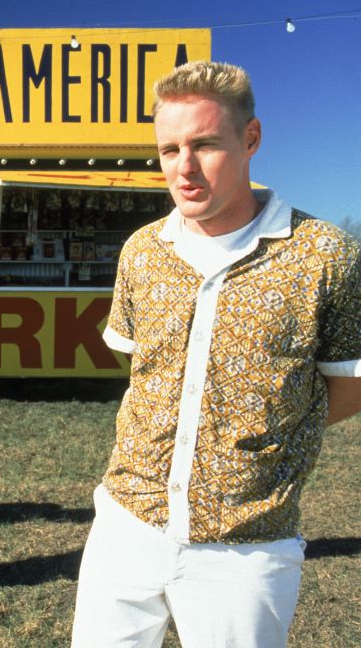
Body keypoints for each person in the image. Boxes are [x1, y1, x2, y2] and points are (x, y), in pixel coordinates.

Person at [70, 60, 361, 647]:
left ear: (250, 138)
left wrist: (263, 435)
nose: (184, 168)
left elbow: (350, 385)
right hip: (125, 525)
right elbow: (142, 373)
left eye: (204, 144)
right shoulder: (142, 251)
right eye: (169, 149)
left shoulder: (325, 255)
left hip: (247, 544)